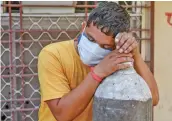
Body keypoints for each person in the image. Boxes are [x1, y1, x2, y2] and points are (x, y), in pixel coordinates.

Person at [38, 2, 159, 121]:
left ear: (115, 45)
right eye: (90, 39)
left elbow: (152, 98)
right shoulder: (53, 54)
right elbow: (62, 114)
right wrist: (98, 73)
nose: (94, 49)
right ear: (83, 27)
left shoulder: (114, 60)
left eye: (105, 46)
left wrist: (134, 53)